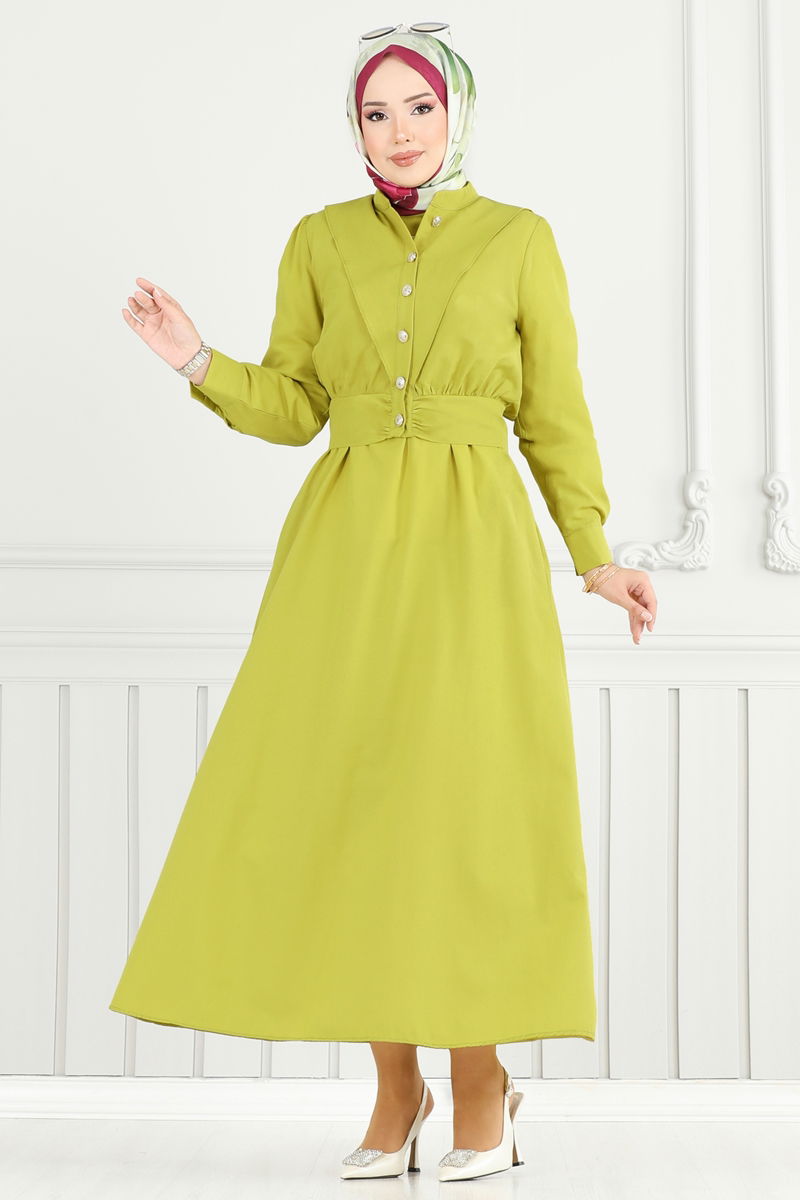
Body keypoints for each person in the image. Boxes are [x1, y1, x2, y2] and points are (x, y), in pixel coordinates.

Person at [114, 21, 658, 1184]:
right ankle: (395, 1089)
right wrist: (196, 360)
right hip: (345, 551)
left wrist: (593, 553)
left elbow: (552, 413)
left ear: (456, 115)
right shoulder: (318, 240)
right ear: (353, 128)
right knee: (353, 804)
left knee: (462, 812)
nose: (399, 132)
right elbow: (295, 406)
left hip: (474, 549)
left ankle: (481, 1084)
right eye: (376, 113)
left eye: (419, 108)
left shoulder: (519, 239)